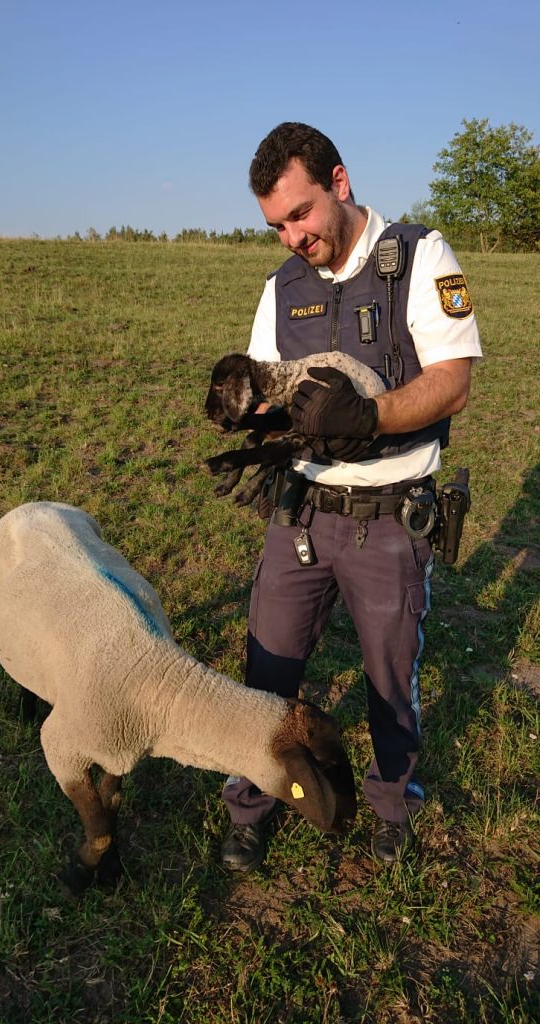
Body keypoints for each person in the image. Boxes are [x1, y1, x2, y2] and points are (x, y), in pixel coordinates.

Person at [220, 122, 482, 870]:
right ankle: (253, 803)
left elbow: (453, 382)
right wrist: (248, 408)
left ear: (339, 183)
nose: (292, 236)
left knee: (390, 675)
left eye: (300, 214)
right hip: (301, 511)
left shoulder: (418, 258)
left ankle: (392, 803)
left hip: (389, 516)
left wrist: (370, 415)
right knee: (267, 670)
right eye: (276, 225)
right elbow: (269, 385)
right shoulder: (282, 288)